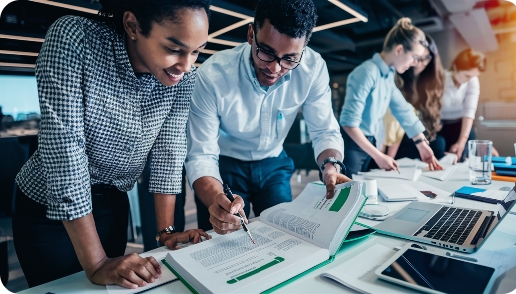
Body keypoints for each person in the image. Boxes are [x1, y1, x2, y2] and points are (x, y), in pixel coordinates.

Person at [13, 0, 210, 289]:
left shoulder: (184, 77)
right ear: (132, 25)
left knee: (112, 287)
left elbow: (169, 152)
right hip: (48, 209)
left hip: (111, 204)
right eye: (174, 49)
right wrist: (96, 263)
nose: (186, 65)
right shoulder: (73, 39)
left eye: (195, 52)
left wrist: (166, 232)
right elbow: (66, 152)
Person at [186, 0, 350, 234]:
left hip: (274, 163)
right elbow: (201, 154)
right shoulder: (212, 76)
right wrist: (215, 200)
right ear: (251, 34)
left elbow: (324, 130)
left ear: (303, 49)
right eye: (267, 52)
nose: (275, 68)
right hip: (225, 166)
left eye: (289, 59)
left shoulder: (313, 69)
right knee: (219, 237)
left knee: (285, 234)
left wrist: (330, 166)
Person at [339, 17, 442, 178]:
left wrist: (421, 144)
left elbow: (404, 111)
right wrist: (379, 156)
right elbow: (348, 123)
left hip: (368, 143)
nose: (415, 63)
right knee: (343, 194)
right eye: (415, 57)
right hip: (352, 144)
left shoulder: (387, 76)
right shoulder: (367, 72)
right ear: (399, 50)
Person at [381, 34, 446, 160]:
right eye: (416, 57)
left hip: (418, 134)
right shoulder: (395, 76)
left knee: (439, 142)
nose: (419, 63)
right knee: (438, 144)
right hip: (396, 139)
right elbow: (395, 120)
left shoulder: (432, 81)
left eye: (426, 57)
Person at [437, 49, 486, 161]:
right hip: (439, 124)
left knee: (465, 154)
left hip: (460, 123)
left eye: (473, 76)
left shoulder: (472, 80)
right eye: (467, 75)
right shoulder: (440, 78)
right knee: (439, 150)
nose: (470, 79)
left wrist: (461, 142)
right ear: (455, 68)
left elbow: (469, 111)